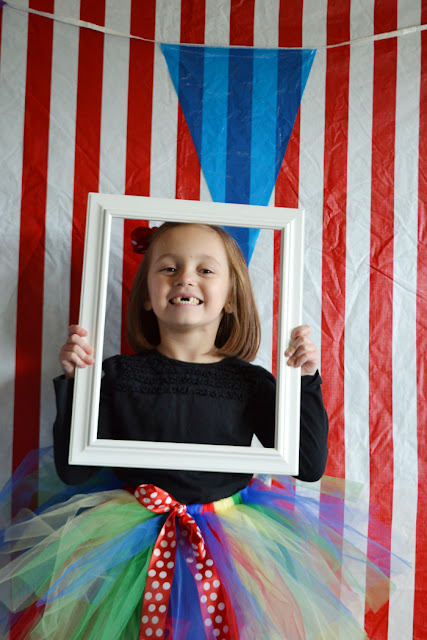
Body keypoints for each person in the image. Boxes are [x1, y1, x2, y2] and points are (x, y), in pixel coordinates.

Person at [0, 224, 397, 639]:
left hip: (231, 547)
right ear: (148, 296)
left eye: (205, 270)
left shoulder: (252, 383)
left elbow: (308, 465)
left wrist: (306, 381)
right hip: (128, 542)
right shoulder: (115, 376)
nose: (185, 277)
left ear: (230, 298)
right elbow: (74, 472)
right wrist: (77, 383)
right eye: (168, 268)